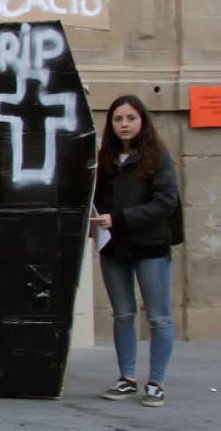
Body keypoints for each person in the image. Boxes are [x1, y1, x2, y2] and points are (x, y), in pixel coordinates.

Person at [90, 94, 179, 408]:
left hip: (150, 247)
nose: (124, 124)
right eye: (118, 119)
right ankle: (126, 378)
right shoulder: (106, 160)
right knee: (123, 315)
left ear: (142, 121)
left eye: (130, 118)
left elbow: (165, 203)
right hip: (114, 248)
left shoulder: (157, 157)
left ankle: (155, 382)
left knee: (158, 317)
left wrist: (121, 218)